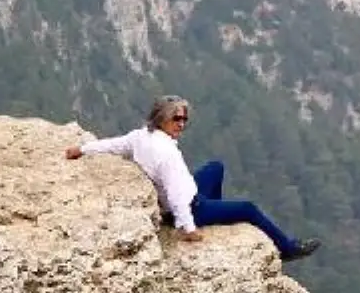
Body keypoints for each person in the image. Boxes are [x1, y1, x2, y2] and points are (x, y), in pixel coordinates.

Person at [64, 95, 321, 263]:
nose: (182, 124)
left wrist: (83, 149)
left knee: (215, 168)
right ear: (161, 119)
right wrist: (188, 228)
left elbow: (115, 144)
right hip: (192, 207)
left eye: (185, 118)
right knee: (248, 209)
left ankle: (217, 213)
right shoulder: (166, 154)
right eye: (176, 118)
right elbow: (176, 194)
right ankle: (287, 249)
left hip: (188, 195)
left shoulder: (141, 136)